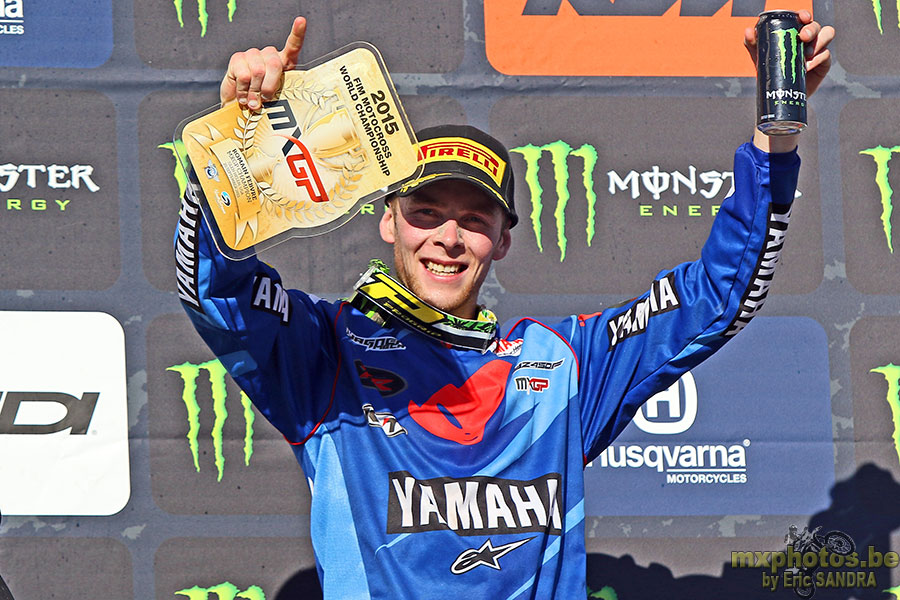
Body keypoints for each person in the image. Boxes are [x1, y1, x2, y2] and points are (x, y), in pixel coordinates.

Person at [177, 14, 834, 599]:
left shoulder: (560, 367)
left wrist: (774, 143)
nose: (448, 238)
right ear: (389, 223)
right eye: (426, 213)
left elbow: (716, 297)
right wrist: (241, 147)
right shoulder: (326, 352)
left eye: (473, 219)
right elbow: (216, 289)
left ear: (503, 239)